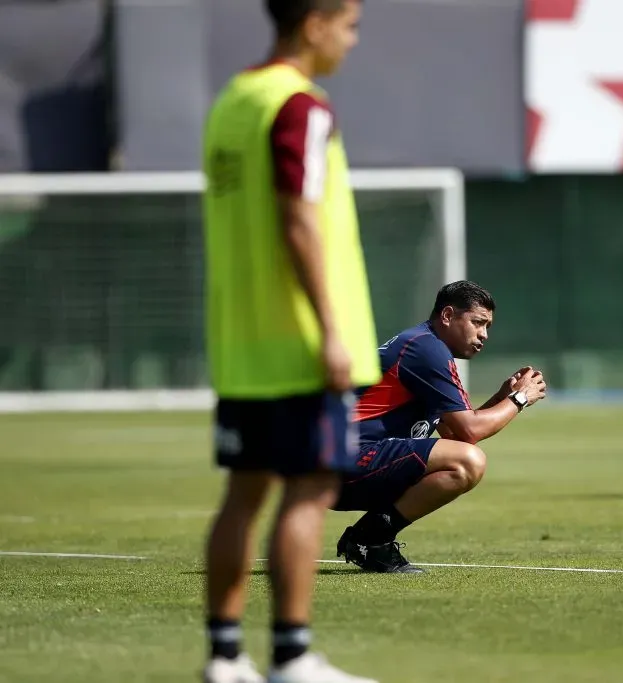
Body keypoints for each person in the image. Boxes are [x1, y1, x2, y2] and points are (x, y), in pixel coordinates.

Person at [201, 1, 381, 682]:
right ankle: (291, 654)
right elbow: (298, 219)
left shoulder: (232, 102)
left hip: (242, 343)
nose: (352, 40)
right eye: (349, 25)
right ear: (314, 24)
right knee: (309, 490)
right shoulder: (300, 105)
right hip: (302, 345)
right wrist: (332, 331)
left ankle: (223, 656)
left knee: (242, 493)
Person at [331, 281, 547, 573]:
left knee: (462, 460)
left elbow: (456, 435)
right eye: (478, 323)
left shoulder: (426, 346)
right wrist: (519, 399)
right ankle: (370, 540)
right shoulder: (426, 349)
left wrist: (501, 399)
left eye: (488, 327)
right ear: (447, 316)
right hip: (341, 462)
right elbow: (470, 433)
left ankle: (369, 539)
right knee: (469, 463)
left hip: (341, 466)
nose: (483, 335)